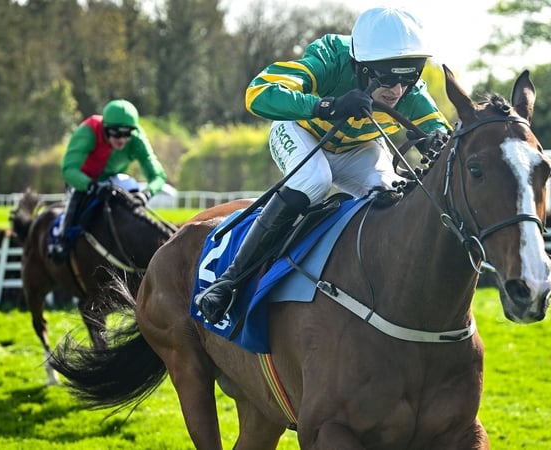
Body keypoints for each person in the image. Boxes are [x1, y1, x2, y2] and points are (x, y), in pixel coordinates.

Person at [195, 6, 452, 324]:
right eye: (387, 78)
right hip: (301, 133)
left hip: (358, 151)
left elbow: (442, 132)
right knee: (314, 181)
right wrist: (327, 105)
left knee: (390, 195)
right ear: (361, 66)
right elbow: (258, 93)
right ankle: (228, 283)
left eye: (408, 77)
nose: (398, 90)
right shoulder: (331, 57)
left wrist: (436, 140)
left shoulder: (411, 91)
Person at [48, 98, 167, 261]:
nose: (122, 139)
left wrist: (146, 194)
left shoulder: (137, 137)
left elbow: (158, 176)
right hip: (82, 181)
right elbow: (69, 170)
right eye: (116, 132)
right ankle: (61, 239)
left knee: (132, 186)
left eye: (127, 133)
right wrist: (92, 186)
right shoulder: (88, 132)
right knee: (77, 195)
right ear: (104, 128)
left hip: (112, 180)